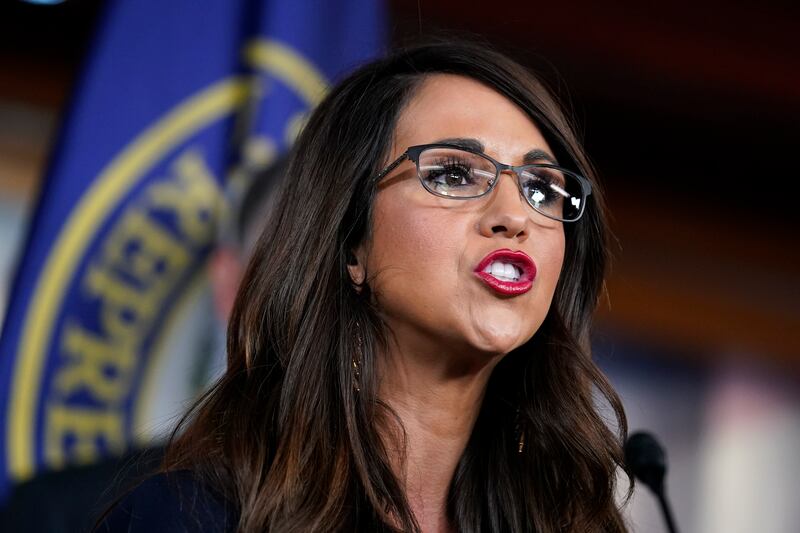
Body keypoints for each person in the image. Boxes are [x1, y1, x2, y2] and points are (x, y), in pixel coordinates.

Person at [99, 39, 631, 533]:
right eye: (453, 174)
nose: (514, 216)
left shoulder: (577, 520)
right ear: (352, 242)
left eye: (542, 188)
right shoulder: (188, 515)